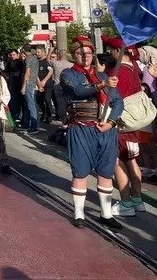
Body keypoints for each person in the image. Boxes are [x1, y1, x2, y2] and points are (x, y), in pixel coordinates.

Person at [60, 36, 122, 230]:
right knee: (80, 171)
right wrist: (103, 85)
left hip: (105, 130)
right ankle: (79, 214)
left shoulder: (104, 76)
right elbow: (79, 91)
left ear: (92, 54)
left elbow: (118, 102)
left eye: (88, 53)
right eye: (80, 53)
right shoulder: (68, 74)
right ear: (74, 55)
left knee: (105, 171)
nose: (85, 56)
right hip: (81, 128)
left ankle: (106, 213)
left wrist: (111, 123)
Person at [101, 36, 147, 217]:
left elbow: (114, 99)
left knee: (117, 161)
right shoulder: (134, 68)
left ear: (117, 52)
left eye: (110, 50)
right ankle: (138, 200)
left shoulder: (117, 72)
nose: (109, 53)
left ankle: (126, 203)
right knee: (132, 159)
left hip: (121, 123)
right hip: (134, 121)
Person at [49, 49, 73, 122]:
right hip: (68, 87)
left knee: (61, 106)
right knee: (69, 105)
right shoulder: (71, 65)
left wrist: (50, 51)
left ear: (58, 55)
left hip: (58, 87)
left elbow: (47, 60)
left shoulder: (56, 63)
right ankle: (69, 122)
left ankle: (64, 122)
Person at [22, 44, 40, 133]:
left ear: (24, 50)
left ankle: (33, 127)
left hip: (29, 83)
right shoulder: (35, 58)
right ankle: (33, 125)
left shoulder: (28, 59)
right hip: (34, 82)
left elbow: (27, 73)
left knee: (30, 105)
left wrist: (23, 86)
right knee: (33, 105)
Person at [35, 45, 55, 123]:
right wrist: (39, 83)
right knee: (39, 100)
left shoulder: (47, 61)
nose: (37, 54)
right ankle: (43, 113)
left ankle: (49, 117)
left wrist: (44, 81)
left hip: (48, 84)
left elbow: (51, 71)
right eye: (36, 52)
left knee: (47, 100)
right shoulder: (36, 62)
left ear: (43, 52)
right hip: (39, 84)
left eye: (38, 52)